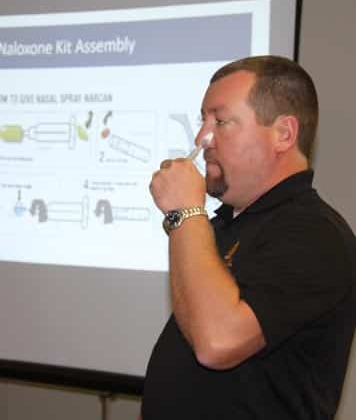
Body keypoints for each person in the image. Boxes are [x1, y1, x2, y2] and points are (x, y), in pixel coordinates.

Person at [141, 55, 356, 419]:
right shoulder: (225, 225)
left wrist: (185, 212)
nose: (201, 138)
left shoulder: (316, 234)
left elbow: (218, 342)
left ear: (284, 134)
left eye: (220, 121)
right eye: (202, 120)